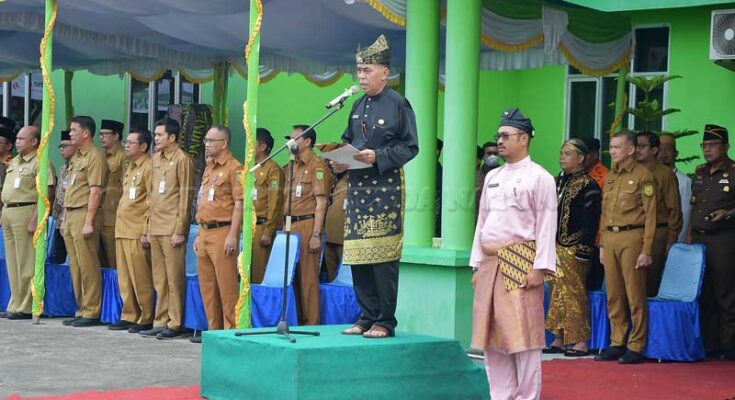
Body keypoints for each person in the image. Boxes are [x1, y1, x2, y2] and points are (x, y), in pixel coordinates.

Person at [332, 34, 418, 339]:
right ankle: (366, 316)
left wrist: (378, 156)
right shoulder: (357, 105)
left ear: (384, 72)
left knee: (382, 257)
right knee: (358, 255)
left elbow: (410, 147)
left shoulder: (398, 104)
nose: (361, 76)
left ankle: (385, 320)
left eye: (367, 70)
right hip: (357, 188)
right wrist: (341, 161)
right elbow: (348, 140)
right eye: (359, 70)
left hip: (385, 190)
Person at [471, 108, 556, 400]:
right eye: (498, 136)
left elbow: (546, 226)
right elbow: (482, 222)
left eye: (506, 136)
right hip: (489, 261)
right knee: (492, 335)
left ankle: (527, 396)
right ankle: (500, 395)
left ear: (524, 139)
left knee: (523, 336)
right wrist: (476, 265)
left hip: (521, 258)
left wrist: (540, 267)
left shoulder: (540, 177)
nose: (500, 141)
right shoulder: (493, 176)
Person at [595, 130, 656, 365]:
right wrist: (601, 244)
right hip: (610, 238)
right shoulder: (611, 176)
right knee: (614, 294)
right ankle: (616, 341)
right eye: (611, 147)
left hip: (632, 237)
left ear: (631, 149)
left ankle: (636, 345)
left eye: (617, 147)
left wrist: (646, 250)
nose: (612, 151)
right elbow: (604, 213)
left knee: (634, 294)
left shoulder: (643, 176)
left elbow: (651, 216)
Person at [545, 139, 601, 357]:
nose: (562, 157)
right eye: (561, 152)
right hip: (555, 245)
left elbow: (592, 221)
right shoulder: (559, 181)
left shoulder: (588, 185)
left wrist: (585, 248)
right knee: (556, 292)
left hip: (575, 246)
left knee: (574, 292)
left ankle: (580, 341)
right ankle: (558, 338)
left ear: (581, 158)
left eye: (567, 153)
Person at [144, 118, 194, 339]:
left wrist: (180, 230)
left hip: (172, 227)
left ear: (172, 137)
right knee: (159, 277)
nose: (155, 138)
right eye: (155, 135)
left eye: (160, 135)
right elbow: (150, 196)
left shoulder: (182, 160)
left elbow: (185, 197)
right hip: (155, 225)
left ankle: (175, 322)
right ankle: (160, 319)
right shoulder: (155, 159)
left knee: (174, 278)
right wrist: (147, 226)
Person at [688, 124, 735, 360]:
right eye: (704, 145)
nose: (707, 150)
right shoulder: (700, 172)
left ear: (725, 146)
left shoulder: (733, 172)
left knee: (725, 293)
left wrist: (728, 213)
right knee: (703, 292)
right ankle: (710, 342)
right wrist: (689, 236)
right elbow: (694, 206)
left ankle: (729, 345)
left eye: (713, 145)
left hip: (723, 240)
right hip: (698, 238)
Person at [193, 125, 243, 340]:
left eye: (211, 140)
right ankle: (213, 331)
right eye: (205, 140)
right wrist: (199, 233)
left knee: (226, 287)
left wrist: (233, 235)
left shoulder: (235, 168)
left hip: (223, 231)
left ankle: (230, 332)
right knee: (208, 287)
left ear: (224, 143)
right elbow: (203, 201)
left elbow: (240, 204)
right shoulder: (209, 167)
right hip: (205, 232)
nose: (206, 144)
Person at [0, 126, 55, 319]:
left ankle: (26, 306)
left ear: (34, 142)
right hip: (8, 212)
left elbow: (47, 192)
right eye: (17, 138)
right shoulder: (14, 161)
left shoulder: (40, 161)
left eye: (22, 139)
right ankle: (15, 303)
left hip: (25, 211)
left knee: (26, 261)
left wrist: (35, 219)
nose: (17, 142)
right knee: (12, 262)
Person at [62, 116, 109, 327]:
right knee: (75, 265)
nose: (70, 134)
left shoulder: (94, 157)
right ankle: (81, 307)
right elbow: (69, 190)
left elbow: (95, 191)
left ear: (86, 133)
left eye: (74, 130)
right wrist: (65, 218)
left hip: (84, 213)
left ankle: (91, 310)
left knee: (88, 264)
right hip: (71, 213)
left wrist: (89, 222)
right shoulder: (77, 157)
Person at [108, 128, 155, 334]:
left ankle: (146, 315)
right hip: (122, 228)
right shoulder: (130, 167)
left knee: (140, 276)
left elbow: (151, 201)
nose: (126, 146)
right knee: (125, 277)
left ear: (143, 146)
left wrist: (146, 230)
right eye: (125, 142)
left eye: (131, 143)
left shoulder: (149, 167)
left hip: (136, 230)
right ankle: (129, 314)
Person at [283, 125, 330, 325]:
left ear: (307, 141)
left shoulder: (317, 166)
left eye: (295, 138)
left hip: (308, 224)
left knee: (308, 277)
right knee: (290, 277)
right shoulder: (291, 166)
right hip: (289, 225)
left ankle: (311, 322)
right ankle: (296, 320)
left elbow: (321, 202)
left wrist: (316, 234)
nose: (290, 142)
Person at [635, 131, 682, 296]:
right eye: (635, 146)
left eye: (642, 146)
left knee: (648, 284)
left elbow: (674, 210)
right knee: (631, 283)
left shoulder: (665, 174)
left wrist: (671, 241)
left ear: (654, 150)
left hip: (657, 234)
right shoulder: (631, 172)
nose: (637, 150)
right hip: (632, 233)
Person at [250, 127, 284, 284]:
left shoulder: (273, 169)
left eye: (252, 143)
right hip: (246, 227)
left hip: (261, 227)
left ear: (263, 146)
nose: (248, 146)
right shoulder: (250, 168)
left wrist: (268, 231)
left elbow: (275, 202)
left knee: (258, 274)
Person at [319, 143, 348, 282]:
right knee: (331, 277)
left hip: (344, 239)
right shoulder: (334, 179)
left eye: (334, 160)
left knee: (344, 278)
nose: (330, 163)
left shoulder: (351, 180)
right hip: (329, 237)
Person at [99, 119, 126, 268]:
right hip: (98, 216)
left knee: (114, 261)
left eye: (105, 134)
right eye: (100, 134)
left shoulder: (123, 157)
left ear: (116, 136)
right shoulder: (100, 156)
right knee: (99, 262)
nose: (101, 138)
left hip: (113, 216)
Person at [582, 137, 608, 291]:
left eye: (583, 154)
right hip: (577, 239)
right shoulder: (575, 174)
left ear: (594, 155)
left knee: (591, 285)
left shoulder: (604, 176)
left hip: (595, 239)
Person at [658, 133, 692, 243]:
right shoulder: (649, 178)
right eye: (660, 149)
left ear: (676, 153)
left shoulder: (685, 181)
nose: (663, 153)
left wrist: (675, 243)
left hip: (673, 241)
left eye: (668, 149)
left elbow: (685, 215)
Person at [50, 130, 75, 264]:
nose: (61, 149)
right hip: (59, 219)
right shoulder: (62, 168)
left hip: (72, 217)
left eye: (65, 146)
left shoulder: (78, 167)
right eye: (60, 146)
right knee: (59, 255)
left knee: (73, 257)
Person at [476, 141, 500, 209]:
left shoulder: (505, 173)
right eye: (489, 153)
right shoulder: (476, 175)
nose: (492, 156)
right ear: (483, 156)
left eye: (495, 154)